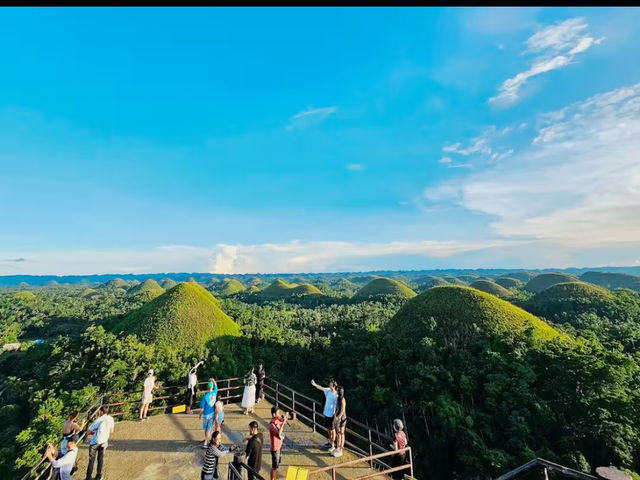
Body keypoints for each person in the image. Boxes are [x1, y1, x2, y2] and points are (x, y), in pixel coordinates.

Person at [85, 405, 115, 480]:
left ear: (101, 412)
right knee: (100, 458)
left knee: (91, 460)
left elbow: (88, 432)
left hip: (95, 442)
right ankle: (98, 475)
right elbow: (111, 431)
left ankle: (88, 477)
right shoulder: (111, 419)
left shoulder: (99, 420)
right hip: (104, 441)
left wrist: (94, 433)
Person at [310, 379, 338, 451]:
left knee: (333, 430)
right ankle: (330, 441)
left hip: (332, 414)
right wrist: (315, 384)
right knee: (328, 429)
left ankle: (333, 445)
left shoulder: (336, 395)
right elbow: (321, 388)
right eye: (330, 385)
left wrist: (336, 415)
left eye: (331, 385)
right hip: (326, 413)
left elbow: (338, 405)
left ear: (334, 386)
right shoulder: (328, 391)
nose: (330, 386)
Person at [269, 407, 288, 480]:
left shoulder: (278, 420)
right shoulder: (272, 424)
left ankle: (274, 478)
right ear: (274, 414)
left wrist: (285, 417)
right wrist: (283, 422)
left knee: (276, 466)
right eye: (278, 413)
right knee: (274, 467)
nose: (279, 414)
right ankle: (273, 478)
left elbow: (284, 421)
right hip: (275, 448)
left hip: (279, 446)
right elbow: (279, 432)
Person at [199, 379, 218, 447]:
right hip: (212, 413)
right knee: (209, 428)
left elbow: (202, 408)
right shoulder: (214, 393)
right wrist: (213, 380)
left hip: (205, 414)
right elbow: (216, 386)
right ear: (212, 387)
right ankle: (207, 440)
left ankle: (206, 442)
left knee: (206, 428)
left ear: (207, 387)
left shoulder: (205, 396)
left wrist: (200, 415)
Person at [331, 386, 347, 458]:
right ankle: (337, 448)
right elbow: (337, 409)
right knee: (338, 433)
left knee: (341, 433)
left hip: (342, 418)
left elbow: (342, 410)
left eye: (337, 390)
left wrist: (338, 418)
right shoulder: (337, 398)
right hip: (338, 417)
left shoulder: (342, 400)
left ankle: (341, 448)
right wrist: (335, 415)